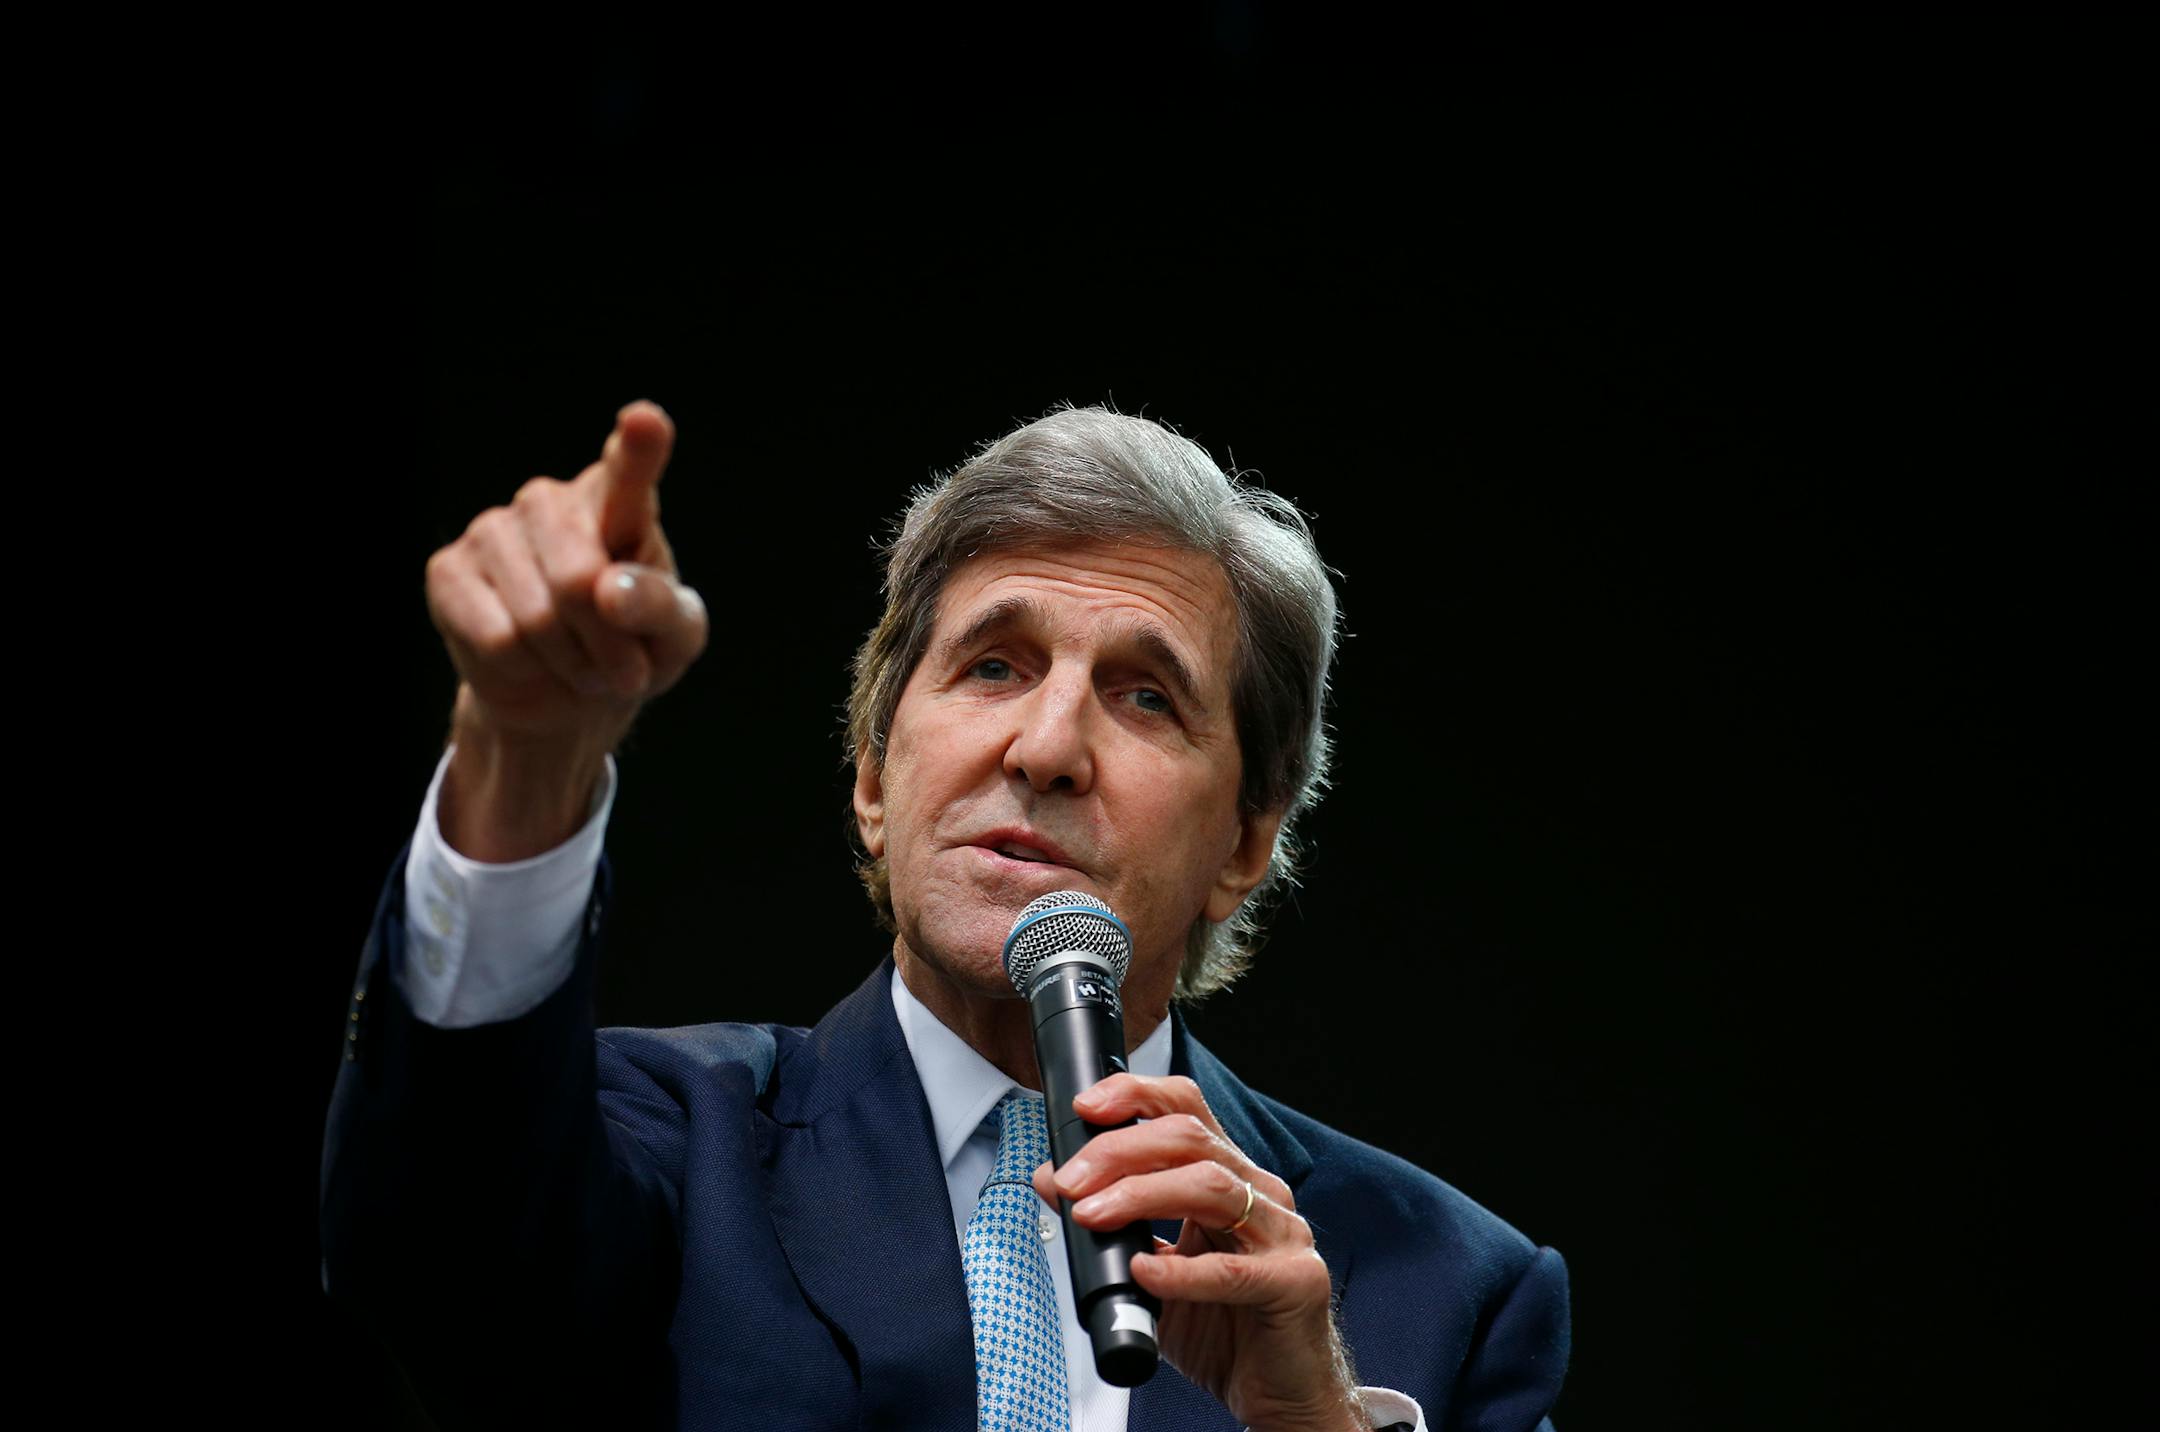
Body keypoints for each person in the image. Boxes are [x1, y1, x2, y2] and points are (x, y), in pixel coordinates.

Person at [321, 401, 1571, 1431]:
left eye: (1143, 697)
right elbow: (434, 1238)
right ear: (874, 778)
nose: (1048, 746)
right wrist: (522, 757)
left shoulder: (1447, 1291)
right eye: (994, 666)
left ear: (1247, 839)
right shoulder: (664, 1152)